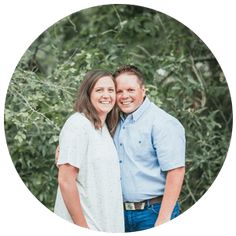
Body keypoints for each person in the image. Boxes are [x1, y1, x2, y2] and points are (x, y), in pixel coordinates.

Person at [113, 65, 186, 232]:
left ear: (143, 90)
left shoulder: (162, 123)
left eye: (130, 90)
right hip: (119, 214)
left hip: (154, 213)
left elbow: (176, 171)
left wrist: (163, 218)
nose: (125, 96)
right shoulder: (114, 121)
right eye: (119, 91)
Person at [54, 69, 124, 233]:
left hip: (106, 223)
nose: (106, 95)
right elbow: (66, 181)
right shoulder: (78, 125)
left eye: (110, 90)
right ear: (88, 94)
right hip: (86, 224)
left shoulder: (103, 128)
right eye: (99, 90)